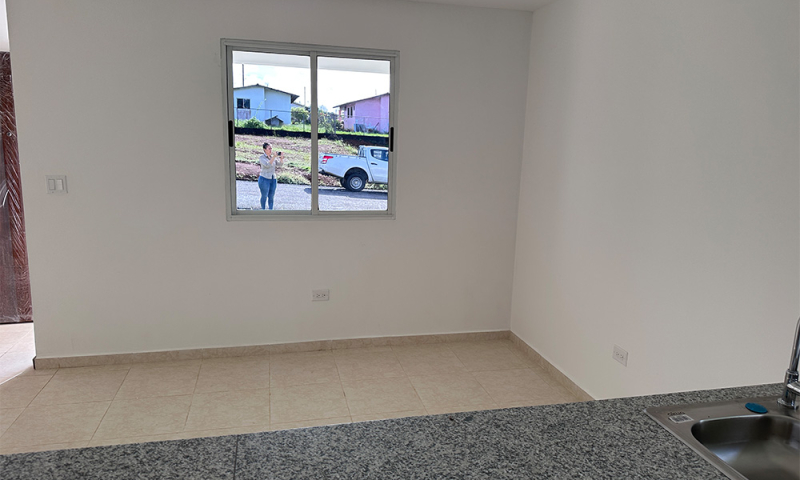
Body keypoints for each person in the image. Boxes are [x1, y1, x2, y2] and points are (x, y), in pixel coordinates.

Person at [258, 142, 283, 210]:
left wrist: (281, 158)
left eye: (271, 148)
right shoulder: (262, 157)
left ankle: (271, 210)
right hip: (264, 179)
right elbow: (267, 165)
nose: (270, 150)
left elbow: (280, 164)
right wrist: (274, 157)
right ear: (264, 149)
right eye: (269, 148)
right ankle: (263, 210)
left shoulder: (272, 157)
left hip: (273, 178)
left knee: (271, 196)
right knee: (264, 196)